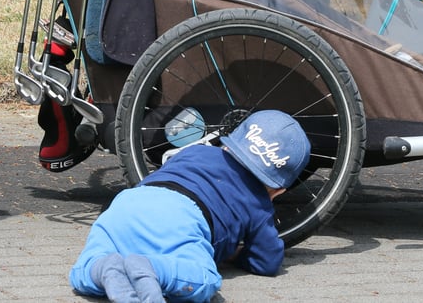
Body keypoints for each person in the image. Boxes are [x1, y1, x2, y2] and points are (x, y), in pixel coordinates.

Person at [69, 109, 312, 303]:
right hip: (182, 221)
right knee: (204, 279)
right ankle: (152, 269)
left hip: (128, 204)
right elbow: (267, 261)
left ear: (228, 144)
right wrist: (236, 255)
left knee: (91, 261)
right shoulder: (259, 202)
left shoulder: (196, 151)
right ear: (278, 190)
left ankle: (103, 268)